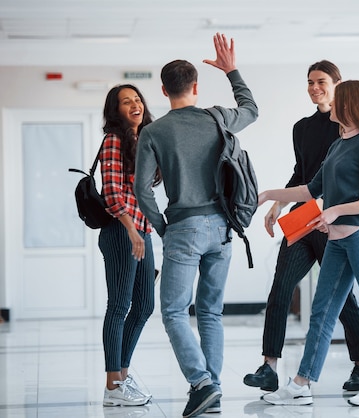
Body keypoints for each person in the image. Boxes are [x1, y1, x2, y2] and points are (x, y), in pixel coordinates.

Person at [134, 33, 258, 418]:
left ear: (163, 90)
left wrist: (162, 228)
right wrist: (232, 70)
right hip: (223, 229)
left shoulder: (153, 133)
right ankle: (213, 385)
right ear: (195, 87)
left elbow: (142, 191)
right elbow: (251, 109)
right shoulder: (218, 116)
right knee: (210, 312)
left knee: (173, 311)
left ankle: (202, 383)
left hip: (184, 228)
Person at [258, 80, 359, 407]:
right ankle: (302, 384)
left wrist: (334, 210)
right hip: (338, 240)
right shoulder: (338, 145)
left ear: (349, 104)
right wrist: (269, 194)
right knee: (322, 312)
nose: (331, 103)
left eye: (338, 99)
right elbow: (310, 190)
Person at [243, 60, 359, 394]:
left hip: (334, 221)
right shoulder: (302, 127)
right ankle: (269, 365)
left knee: (340, 298)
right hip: (303, 217)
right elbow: (303, 173)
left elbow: (352, 178)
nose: (315, 87)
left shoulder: (350, 128)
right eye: (310, 82)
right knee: (281, 288)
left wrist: (335, 214)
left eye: (321, 81)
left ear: (337, 84)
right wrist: (278, 204)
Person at [99, 84, 161, 407]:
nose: (135, 104)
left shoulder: (144, 140)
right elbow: (111, 191)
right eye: (126, 102)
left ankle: (121, 376)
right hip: (122, 230)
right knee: (120, 306)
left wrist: (146, 231)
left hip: (142, 230)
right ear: (116, 110)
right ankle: (112, 385)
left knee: (145, 305)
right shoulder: (114, 139)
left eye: (137, 99)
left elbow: (146, 191)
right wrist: (132, 231)